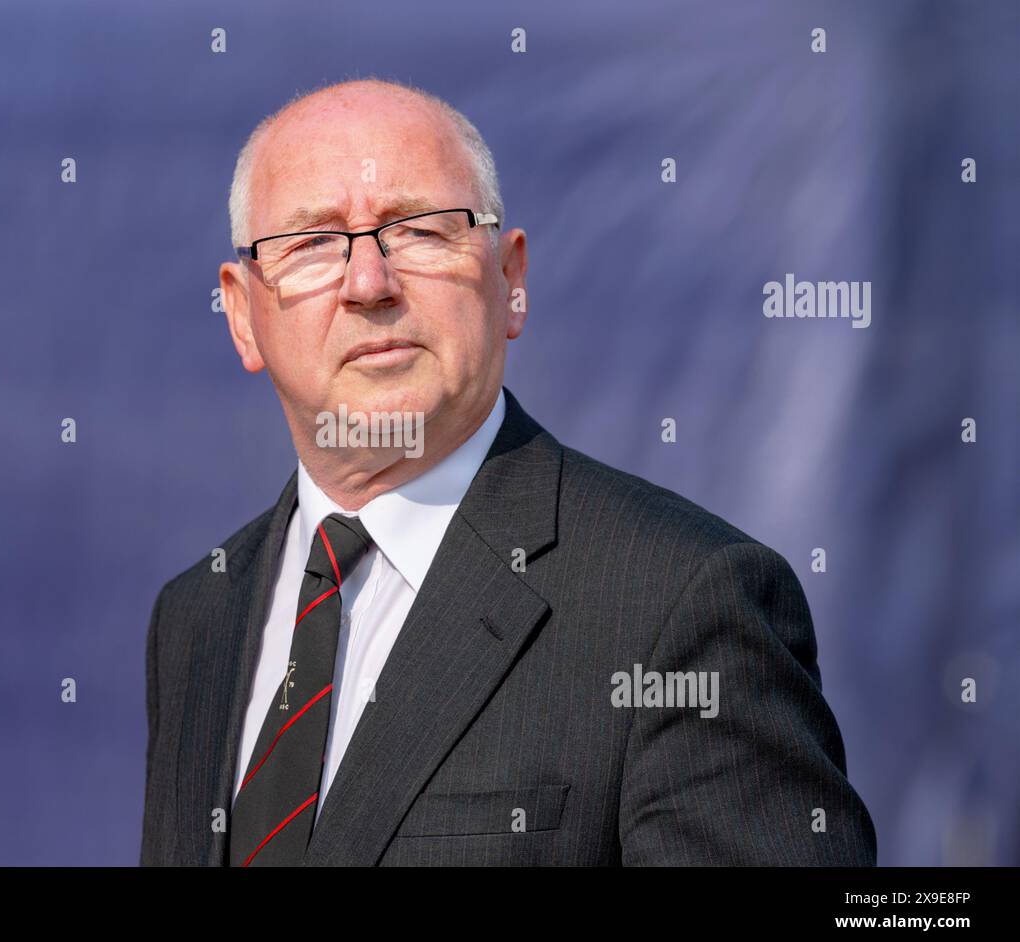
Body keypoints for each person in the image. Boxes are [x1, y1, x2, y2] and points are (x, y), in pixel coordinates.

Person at [140, 78, 877, 866]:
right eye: (313, 243)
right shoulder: (199, 615)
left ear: (511, 281)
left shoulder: (680, 605)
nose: (368, 284)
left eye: (420, 230)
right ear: (244, 316)